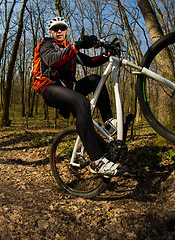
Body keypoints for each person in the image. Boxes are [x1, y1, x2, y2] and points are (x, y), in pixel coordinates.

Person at [36, 17, 130, 177]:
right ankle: (96, 162)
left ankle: (108, 122)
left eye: (62, 28)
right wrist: (76, 46)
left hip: (70, 89)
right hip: (50, 88)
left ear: (66, 31)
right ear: (51, 32)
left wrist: (106, 55)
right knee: (82, 102)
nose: (59, 31)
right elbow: (53, 61)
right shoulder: (47, 45)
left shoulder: (69, 49)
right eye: (56, 29)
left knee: (94, 79)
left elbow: (91, 61)